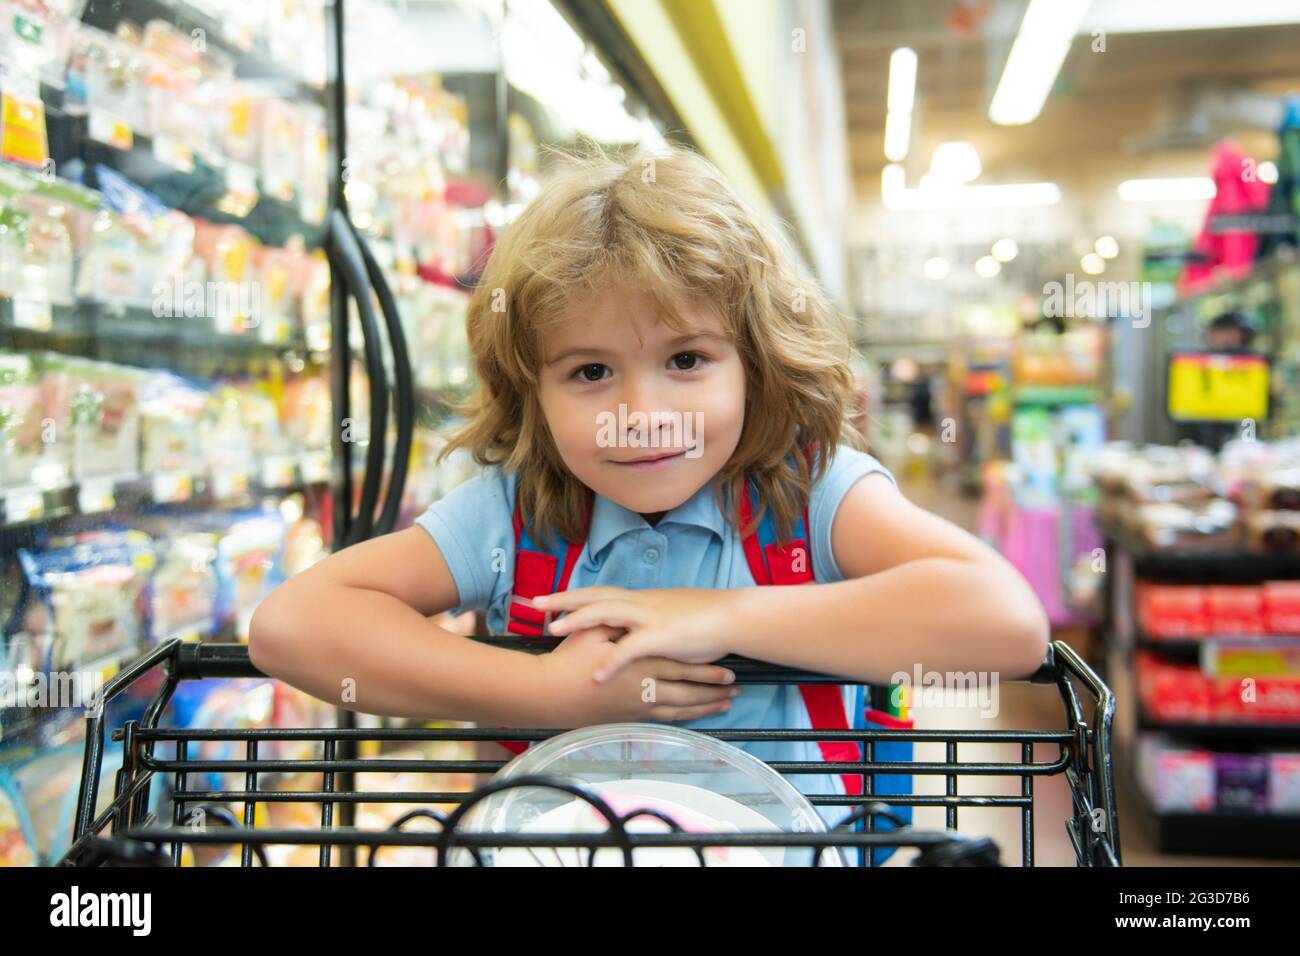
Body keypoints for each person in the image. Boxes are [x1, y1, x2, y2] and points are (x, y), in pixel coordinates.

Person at [249, 143, 1049, 833]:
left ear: (756, 363)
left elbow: (1006, 627)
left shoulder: (809, 493)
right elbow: (293, 626)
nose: (642, 417)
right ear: (531, 391)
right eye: (590, 372)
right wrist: (554, 691)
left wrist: (719, 614)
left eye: (687, 360)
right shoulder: (515, 512)